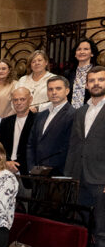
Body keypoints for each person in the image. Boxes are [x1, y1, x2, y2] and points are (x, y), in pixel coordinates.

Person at [66, 66, 105, 206]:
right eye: (92, 80)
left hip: (101, 179)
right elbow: (73, 144)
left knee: (101, 226)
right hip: (78, 178)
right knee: (79, 225)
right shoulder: (80, 111)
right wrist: (69, 176)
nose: (96, 83)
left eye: (101, 79)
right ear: (87, 85)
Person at [27, 76, 75, 176]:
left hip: (58, 174)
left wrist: (49, 169)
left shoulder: (73, 115)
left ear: (67, 91)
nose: (54, 92)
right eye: (50, 89)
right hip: (37, 173)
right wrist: (32, 168)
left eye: (58, 88)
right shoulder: (41, 115)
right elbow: (31, 143)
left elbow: (69, 148)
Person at [0, 87, 36, 176]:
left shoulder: (37, 121)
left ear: (30, 100)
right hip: (6, 170)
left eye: (22, 99)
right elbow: (0, 146)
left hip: (27, 172)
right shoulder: (5, 122)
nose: (18, 103)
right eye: (15, 100)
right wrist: (6, 162)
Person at [65, 38, 100, 110]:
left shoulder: (99, 72)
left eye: (86, 49)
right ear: (75, 54)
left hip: (92, 111)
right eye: (79, 49)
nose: (82, 52)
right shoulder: (68, 73)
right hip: (70, 113)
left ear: (92, 53)